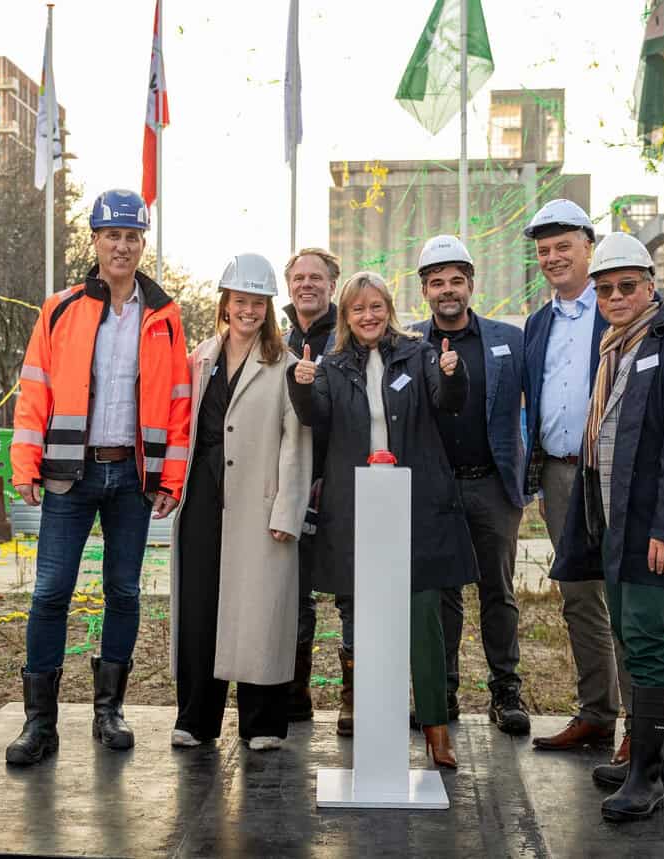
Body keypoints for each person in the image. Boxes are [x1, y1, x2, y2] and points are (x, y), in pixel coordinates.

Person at [522, 199, 664, 762]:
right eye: (543, 250)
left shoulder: (623, 316)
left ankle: (642, 733)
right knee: (580, 600)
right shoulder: (538, 323)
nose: (553, 258)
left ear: (589, 248)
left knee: (632, 609)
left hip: (624, 482)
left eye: (564, 246)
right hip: (567, 477)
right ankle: (597, 713)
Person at [5, 188, 191, 763]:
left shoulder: (164, 313)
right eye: (112, 235)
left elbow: (180, 401)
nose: (123, 246)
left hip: (132, 479)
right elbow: (34, 387)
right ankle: (40, 723)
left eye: (133, 236)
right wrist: (25, 462)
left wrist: (171, 480)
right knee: (51, 592)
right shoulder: (59, 308)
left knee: (125, 592)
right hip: (69, 474)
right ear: (94, 240)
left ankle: (109, 711)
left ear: (142, 244)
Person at [549, 233, 664, 822]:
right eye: (604, 289)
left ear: (650, 286)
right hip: (617, 529)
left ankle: (644, 777)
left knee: (645, 640)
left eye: (626, 286)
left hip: (653, 531)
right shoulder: (616, 350)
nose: (615, 296)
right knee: (635, 638)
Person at [288, 271, 476, 768]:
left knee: (423, 619)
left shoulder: (420, 353)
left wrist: (454, 374)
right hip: (358, 510)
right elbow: (315, 419)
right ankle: (375, 732)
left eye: (376, 306)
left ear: (388, 309)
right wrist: (302, 387)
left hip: (416, 507)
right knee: (366, 622)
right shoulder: (330, 364)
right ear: (346, 317)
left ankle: (437, 728)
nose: (368, 316)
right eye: (357, 309)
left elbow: (446, 401)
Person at [168, 253, 311, 751]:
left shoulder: (286, 366)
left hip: (260, 500)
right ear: (224, 304)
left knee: (260, 611)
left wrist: (287, 512)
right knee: (202, 607)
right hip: (203, 497)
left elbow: (297, 444)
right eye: (239, 301)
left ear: (268, 308)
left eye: (257, 302)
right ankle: (196, 719)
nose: (247, 310)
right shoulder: (199, 358)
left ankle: (263, 722)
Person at [408, 235, 529, 736]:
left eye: (456, 280)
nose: (447, 290)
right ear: (424, 291)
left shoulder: (508, 341)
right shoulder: (411, 343)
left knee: (497, 592)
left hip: (492, 488)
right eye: (437, 282)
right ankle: (444, 693)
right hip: (435, 493)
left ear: (471, 285)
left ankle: (505, 692)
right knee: (441, 596)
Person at [280, 247, 353, 733]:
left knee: (351, 591)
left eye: (316, 278)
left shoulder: (350, 339)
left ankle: (354, 698)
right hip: (294, 482)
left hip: (343, 480)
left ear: (332, 285)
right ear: (289, 287)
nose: (307, 285)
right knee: (294, 591)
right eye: (298, 277)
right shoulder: (278, 339)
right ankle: (295, 692)